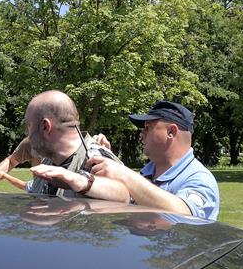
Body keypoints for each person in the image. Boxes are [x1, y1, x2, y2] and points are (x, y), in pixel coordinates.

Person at [86, 100, 220, 221]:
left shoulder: (199, 178)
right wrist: (108, 157)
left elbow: (185, 214)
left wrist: (124, 174)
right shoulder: (148, 172)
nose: (142, 134)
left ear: (171, 132)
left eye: (148, 128)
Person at [23, 90, 130, 202]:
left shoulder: (98, 161)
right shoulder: (47, 162)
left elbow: (126, 202)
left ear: (46, 126)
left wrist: (84, 183)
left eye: (29, 126)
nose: (27, 133)